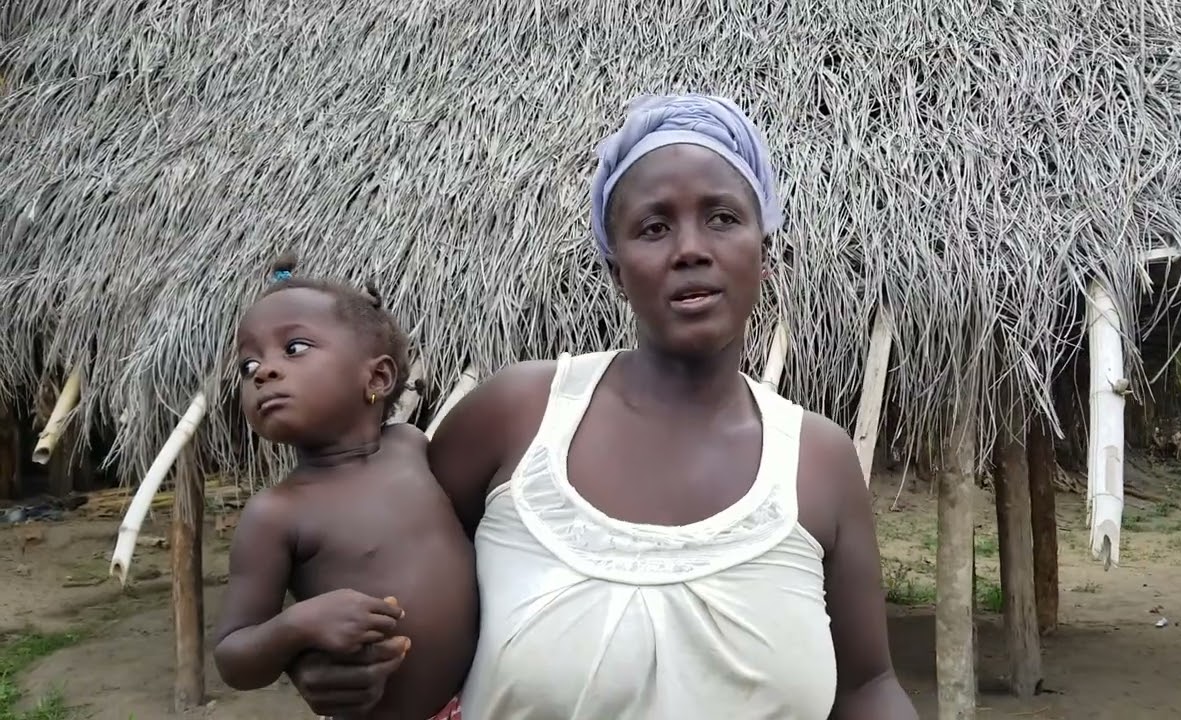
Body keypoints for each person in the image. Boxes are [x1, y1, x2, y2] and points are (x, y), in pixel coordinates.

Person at [287, 94, 918, 719]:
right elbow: (377, 563)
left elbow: (868, 687)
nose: (690, 249)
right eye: (653, 227)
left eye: (723, 218)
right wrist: (318, 657)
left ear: (766, 252)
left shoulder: (818, 461)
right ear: (616, 270)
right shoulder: (515, 417)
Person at [212, 257, 477, 720]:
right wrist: (296, 626)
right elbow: (233, 657)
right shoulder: (276, 514)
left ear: (376, 378)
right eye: (248, 363)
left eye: (293, 348)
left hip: (481, 700)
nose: (262, 372)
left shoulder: (413, 448)